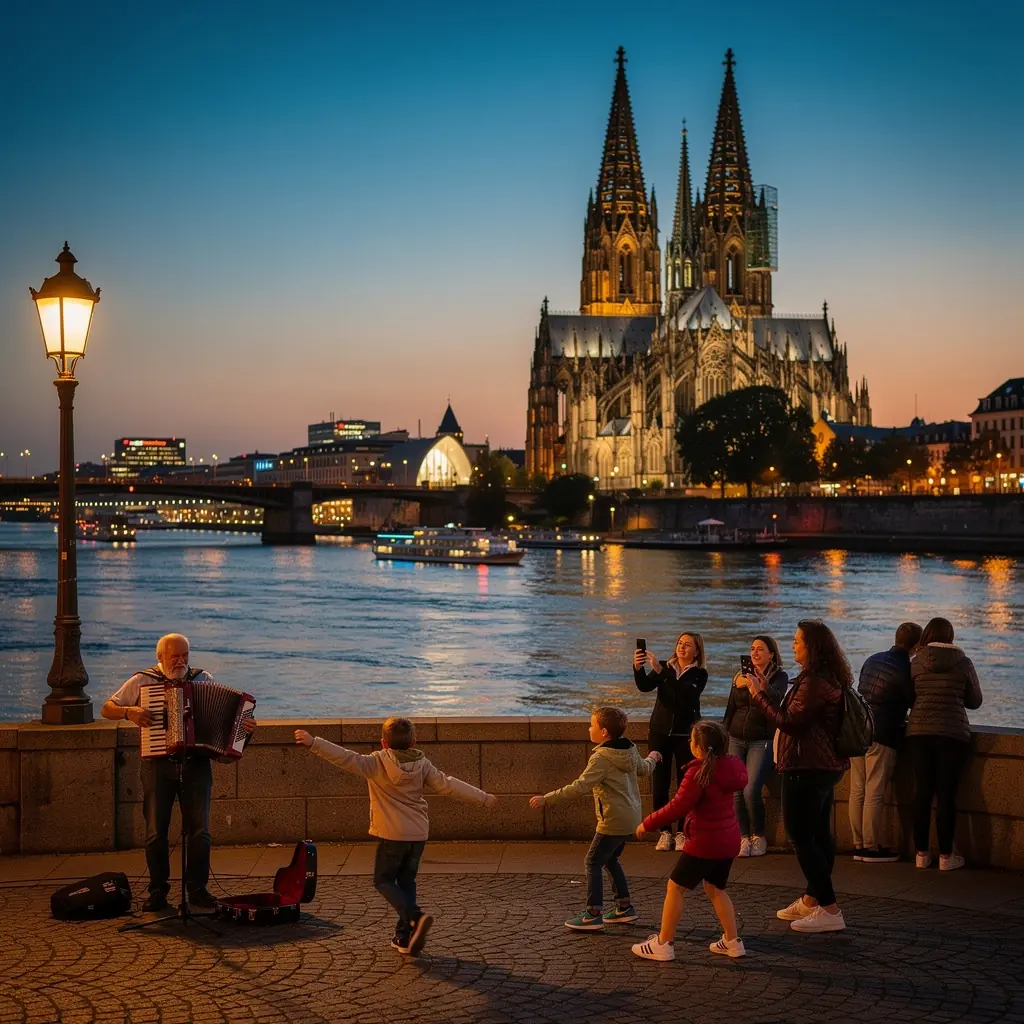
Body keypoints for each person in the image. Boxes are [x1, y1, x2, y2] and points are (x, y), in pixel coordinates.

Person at [295, 716, 497, 955]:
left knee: (383, 881)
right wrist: (482, 797)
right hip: (418, 835)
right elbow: (449, 785)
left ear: (383, 743)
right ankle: (404, 938)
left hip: (392, 834)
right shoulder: (423, 764)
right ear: (414, 742)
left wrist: (313, 742)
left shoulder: (376, 763)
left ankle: (415, 917)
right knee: (406, 883)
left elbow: (345, 757)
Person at [100, 633, 258, 912]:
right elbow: (107, 708)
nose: (181, 661)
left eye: (185, 655)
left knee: (200, 831)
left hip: (196, 763)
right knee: (155, 831)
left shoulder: (201, 679)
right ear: (160, 657)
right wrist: (130, 712)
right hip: (157, 765)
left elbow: (230, 717)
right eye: (175, 656)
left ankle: (197, 889)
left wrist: (244, 729)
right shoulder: (143, 681)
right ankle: (158, 891)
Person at [744, 619, 850, 933]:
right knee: (817, 834)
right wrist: (768, 692)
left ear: (812, 646)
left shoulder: (815, 680)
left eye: (797, 641)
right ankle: (811, 899)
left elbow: (790, 723)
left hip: (807, 767)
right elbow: (799, 715)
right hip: (820, 765)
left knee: (801, 836)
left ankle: (829, 909)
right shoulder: (820, 677)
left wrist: (759, 697)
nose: (793, 645)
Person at [529, 706, 661, 931]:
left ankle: (593, 913)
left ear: (604, 733)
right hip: (631, 817)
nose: (589, 728)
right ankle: (624, 907)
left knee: (592, 862)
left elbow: (579, 786)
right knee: (609, 860)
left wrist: (547, 799)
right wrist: (653, 758)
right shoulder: (629, 749)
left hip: (612, 820)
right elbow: (643, 769)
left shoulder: (601, 758)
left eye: (592, 725)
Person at [631, 721, 748, 962]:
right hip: (728, 840)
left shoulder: (698, 772)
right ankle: (733, 942)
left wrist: (648, 824)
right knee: (716, 889)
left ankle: (663, 943)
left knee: (675, 887)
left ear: (699, 748)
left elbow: (677, 807)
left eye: (692, 741)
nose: (689, 744)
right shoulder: (733, 766)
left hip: (705, 842)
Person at [906, 617, 983, 872]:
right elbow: (975, 700)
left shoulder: (916, 662)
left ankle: (920, 853)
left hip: (918, 733)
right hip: (952, 734)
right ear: (951, 636)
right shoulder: (964, 662)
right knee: (946, 795)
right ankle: (946, 856)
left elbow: (909, 696)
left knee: (923, 792)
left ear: (927, 635)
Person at [849, 622, 922, 863]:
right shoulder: (908, 669)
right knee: (874, 791)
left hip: (859, 730)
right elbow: (912, 701)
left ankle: (857, 844)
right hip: (884, 733)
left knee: (857, 789)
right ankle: (871, 847)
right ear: (916, 646)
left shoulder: (872, 659)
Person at [633, 633, 708, 851]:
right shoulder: (667, 666)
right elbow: (645, 686)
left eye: (688, 645)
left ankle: (682, 832)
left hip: (685, 735)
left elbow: (686, 696)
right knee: (660, 784)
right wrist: (638, 669)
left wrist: (662, 673)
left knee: (685, 785)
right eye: (680, 643)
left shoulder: (699, 674)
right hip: (660, 732)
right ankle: (664, 832)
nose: (682, 648)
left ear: (697, 651)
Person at [723, 635, 788, 857]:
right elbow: (731, 707)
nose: (755, 653)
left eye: (760, 649)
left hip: (762, 739)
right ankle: (742, 837)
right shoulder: (739, 676)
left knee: (751, 789)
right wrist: (723, 733)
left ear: (771, 654)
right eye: (752, 649)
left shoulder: (779, 676)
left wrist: (760, 683)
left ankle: (758, 835)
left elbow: (777, 699)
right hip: (735, 737)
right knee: (735, 790)